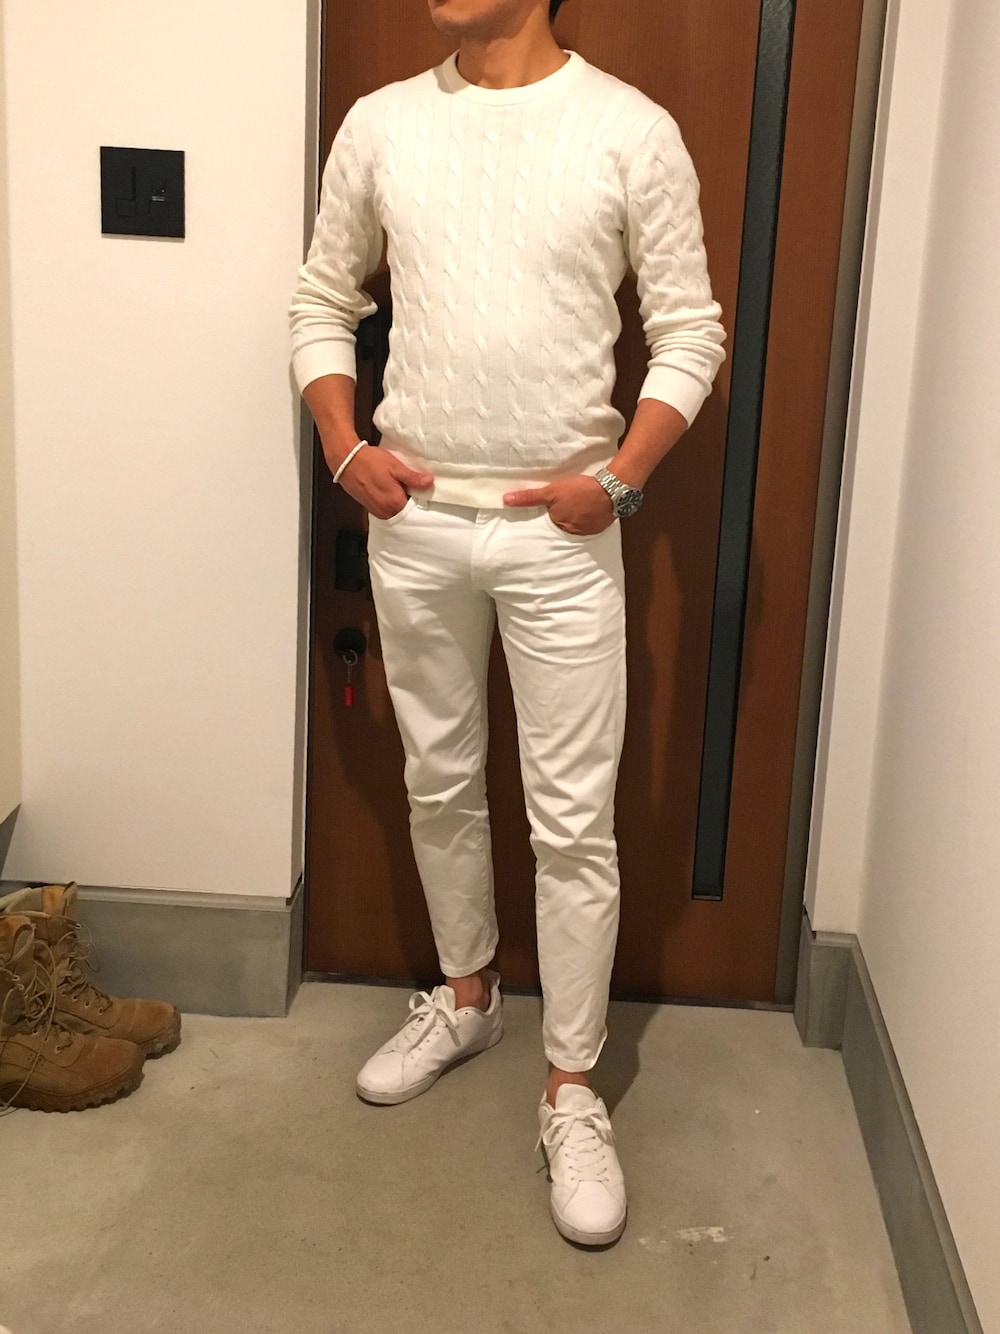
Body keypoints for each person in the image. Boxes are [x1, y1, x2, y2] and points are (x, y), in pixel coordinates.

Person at [290, 0, 726, 1246]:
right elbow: (321, 298)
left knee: (572, 817)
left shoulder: (628, 130)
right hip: (415, 518)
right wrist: (343, 445)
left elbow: (689, 329)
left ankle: (572, 1084)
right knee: (437, 776)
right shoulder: (383, 124)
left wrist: (622, 480)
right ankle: (469, 993)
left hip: (563, 532)